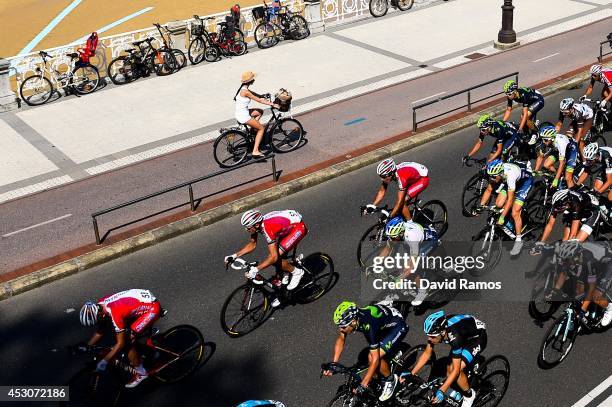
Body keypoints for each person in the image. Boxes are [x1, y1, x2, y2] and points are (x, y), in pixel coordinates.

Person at [323, 301, 407, 402]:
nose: (341, 329)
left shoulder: (369, 326)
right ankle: (389, 357)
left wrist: (364, 384)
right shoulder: (354, 321)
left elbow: (375, 358)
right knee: (372, 362)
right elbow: (341, 339)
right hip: (382, 322)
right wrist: (334, 364)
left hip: (397, 326)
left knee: (372, 358)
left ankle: (391, 380)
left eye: (344, 326)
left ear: (353, 321)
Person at [78, 289, 162, 388]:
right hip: (141, 300)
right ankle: (150, 351)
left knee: (127, 342)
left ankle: (141, 373)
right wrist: (87, 346)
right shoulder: (101, 305)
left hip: (152, 308)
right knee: (123, 332)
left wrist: (105, 360)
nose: (97, 324)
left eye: (97, 321)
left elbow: (120, 343)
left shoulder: (115, 313)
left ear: (101, 314)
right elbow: (102, 329)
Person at [404, 310, 486, 407]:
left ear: (442, 333)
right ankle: (458, 389)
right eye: (428, 335)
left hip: (476, 339)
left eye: (432, 336)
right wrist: (411, 373)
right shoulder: (440, 330)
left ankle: (469, 395)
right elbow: (427, 353)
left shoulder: (455, 338)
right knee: (448, 371)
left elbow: (456, 370)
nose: (429, 339)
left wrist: (442, 390)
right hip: (464, 333)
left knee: (456, 370)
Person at [226, 209, 307, 305]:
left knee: (275, 259)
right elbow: (252, 244)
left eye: (248, 228)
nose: (246, 230)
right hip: (286, 226)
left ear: (256, 225)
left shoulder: (267, 228)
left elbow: (273, 258)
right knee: (277, 258)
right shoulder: (257, 225)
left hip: (298, 228)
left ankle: (297, 272)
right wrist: (234, 255)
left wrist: (256, 269)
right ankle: (283, 286)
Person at [479, 159, 533, 255]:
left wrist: (502, 217)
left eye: (494, 177)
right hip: (508, 180)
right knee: (499, 204)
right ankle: (508, 219)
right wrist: (480, 206)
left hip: (524, 182)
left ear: (500, 173)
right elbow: (488, 190)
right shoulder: (496, 174)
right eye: (490, 177)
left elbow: (510, 200)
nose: (492, 179)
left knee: (515, 212)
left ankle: (518, 239)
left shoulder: (510, 177)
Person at [384, 217, 440, 306]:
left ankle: (423, 291)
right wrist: (374, 265)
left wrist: (399, 280)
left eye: (393, 238)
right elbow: (387, 248)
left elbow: (411, 268)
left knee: (413, 270)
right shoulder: (396, 234)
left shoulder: (411, 237)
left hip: (429, 241)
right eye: (390, 237)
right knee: (402, 264)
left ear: (401, 232)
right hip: (419, 236)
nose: (391, 240)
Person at [364, 158, 429, 221]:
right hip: (410, 176)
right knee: (400, 208)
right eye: (381, 176)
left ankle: (411, 225)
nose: (382, 179)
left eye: (383, 176)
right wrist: (373, 206)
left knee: (403, 202)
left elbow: (399, 202)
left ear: (391, 174)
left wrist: (390, 217)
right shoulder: (390, 173)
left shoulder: (401, 177)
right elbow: (382, 191)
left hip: (422, 180)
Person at [234, 71, 280, 158]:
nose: (254, 79)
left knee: (259, 111)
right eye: (253, 78)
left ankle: (253, 130)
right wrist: (272, 104)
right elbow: (259, 100)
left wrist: (261, 95)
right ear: (250, 81)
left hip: (240, 112)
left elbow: (254, 94)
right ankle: (255, 151)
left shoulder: (243, 88)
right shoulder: (246, 92)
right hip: (243, 116)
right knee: (261, 129)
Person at [577, 143, 612, 212]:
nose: (588, 162)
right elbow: (586, 171)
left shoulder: (606, 157)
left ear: (596, 156)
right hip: (607, 167)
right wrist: (576, 185)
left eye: (589, 160)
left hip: (609, 164)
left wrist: (598, 193)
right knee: (596, 189)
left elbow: (609, 181)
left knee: (610, 197)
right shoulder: (591, 157)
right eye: (587, 160)